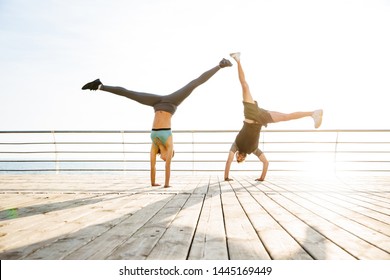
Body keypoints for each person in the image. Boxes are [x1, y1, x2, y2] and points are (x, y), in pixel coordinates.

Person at [82, 58, 232, 188]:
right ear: (170, 153)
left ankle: (99, 86)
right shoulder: (169, 142)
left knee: (131, 94)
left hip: (157, 104)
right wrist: (166, 184)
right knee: (193, 84)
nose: (165, 159)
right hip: (172, 102)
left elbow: (152, 166)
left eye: (165, 158)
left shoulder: (155, 145)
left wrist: (153, 183)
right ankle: (220, 65)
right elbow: (167, 166)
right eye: (168, 157)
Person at [224, 52, 323, 182]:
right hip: (262, 118)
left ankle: (238, 60)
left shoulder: (236, 145)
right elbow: (266, 163)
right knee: (287, 117)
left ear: (237, 154)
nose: (239, 157)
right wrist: (261, 178)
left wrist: (226, 177)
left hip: (251, 113)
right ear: (244, 158)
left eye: (238, 158)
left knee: (244, 86)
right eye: (240, 159)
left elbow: (228, 160)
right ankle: (313, 113)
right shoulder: (253, 149)